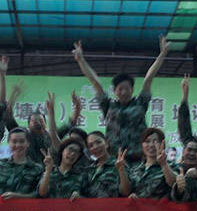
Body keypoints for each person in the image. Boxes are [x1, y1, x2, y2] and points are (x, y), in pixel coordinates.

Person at [72, 36, 169, 164]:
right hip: (114, 158)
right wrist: (81, 60)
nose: (123, 92)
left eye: (127, 88)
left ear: (132, 89)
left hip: (138, 158)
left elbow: (149, 78)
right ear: (114, 91)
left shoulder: (141, 103)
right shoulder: (108, 105)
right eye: (120, 89)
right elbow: (95, 82)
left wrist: (162, 54)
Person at [5, 83, 83, 165]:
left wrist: (77, 108)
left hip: (50, 170)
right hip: (27, 170)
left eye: (40, 121)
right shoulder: (23, 135)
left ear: (45, 124)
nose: (38, 123)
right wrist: (13, 95)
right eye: (34, 121)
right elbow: (7, 116)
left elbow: (71, 123)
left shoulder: (53, 135)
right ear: (28, 125)